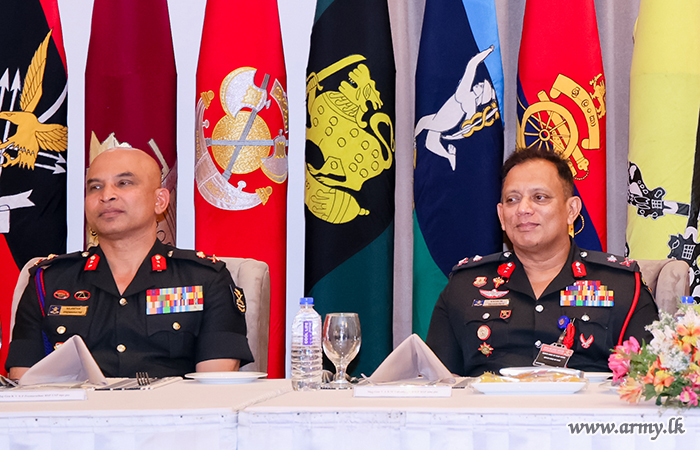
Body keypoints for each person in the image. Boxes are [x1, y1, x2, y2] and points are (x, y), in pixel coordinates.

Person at [7, 147, 253, 379]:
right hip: (75, 410)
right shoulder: (48, 282)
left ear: (160, 201)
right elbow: (24, 385)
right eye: (95, 187)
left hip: (173, 411)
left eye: (124, 183)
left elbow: (215, 389)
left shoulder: (205, 279)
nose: (106, 195)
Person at [426, 146, 659, 376]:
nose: (523, 209)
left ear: (572, 210)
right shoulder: (465, 286)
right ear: (501, 216)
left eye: (539, 197)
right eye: (512, 199)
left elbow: (649, 381)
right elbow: (437, 382)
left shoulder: (622, 285)